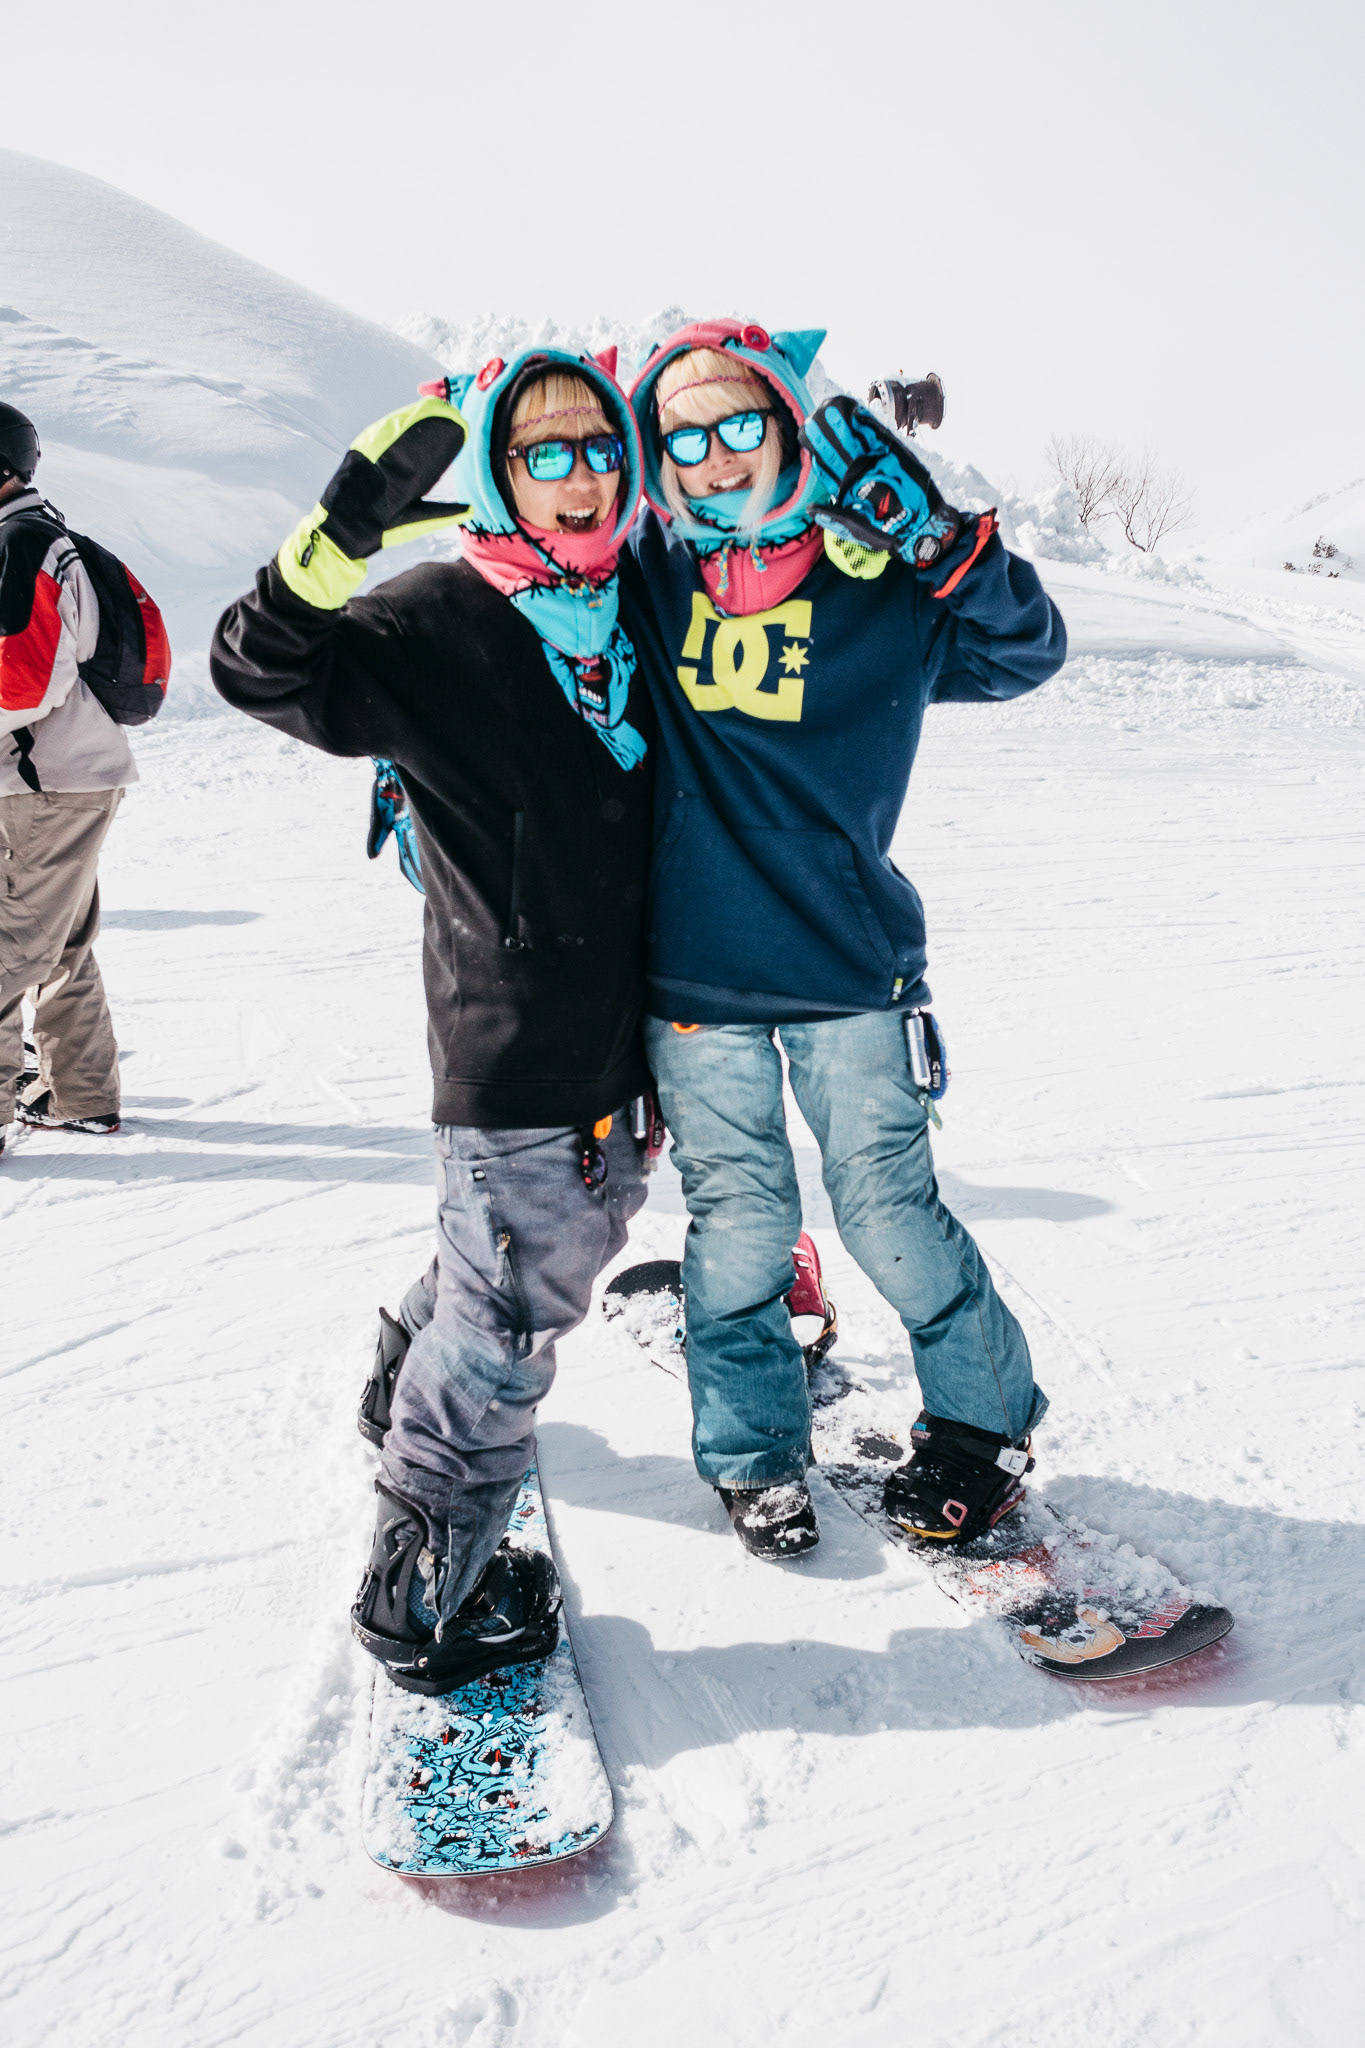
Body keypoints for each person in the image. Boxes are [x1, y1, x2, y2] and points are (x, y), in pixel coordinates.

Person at [210, 351, 657, 1692]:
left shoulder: (647, 604)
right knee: (515, 1315)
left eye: (597, 447)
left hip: (634, 1041)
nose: (577, 476)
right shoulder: (440, 616)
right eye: (544, 453)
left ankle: (405, 1357)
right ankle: (420, 1582)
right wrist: (332, 542)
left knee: (534, 1248)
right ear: (505, 476)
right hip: (515, 1041)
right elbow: (258, 669)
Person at [618, 319, 1068, 1559]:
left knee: (887, 1212)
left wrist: (939, 542)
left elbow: (1028, 649)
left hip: (848, 967)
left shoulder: (878, 584)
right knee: (741, 1220)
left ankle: (982, 1429)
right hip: (694, 977)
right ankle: (755, 1451)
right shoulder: (646, 577)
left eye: (739, 424)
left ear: (783, 418)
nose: (713, 458)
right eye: (684, 436)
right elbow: (527, 609)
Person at [0, 402, 131, 1156]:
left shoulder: (22, 542)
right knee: (58, 938)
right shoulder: (37, 532)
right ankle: (77, 1094)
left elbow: (19, 684)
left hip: (42, 779)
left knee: (10, 939)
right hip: (63, 772)